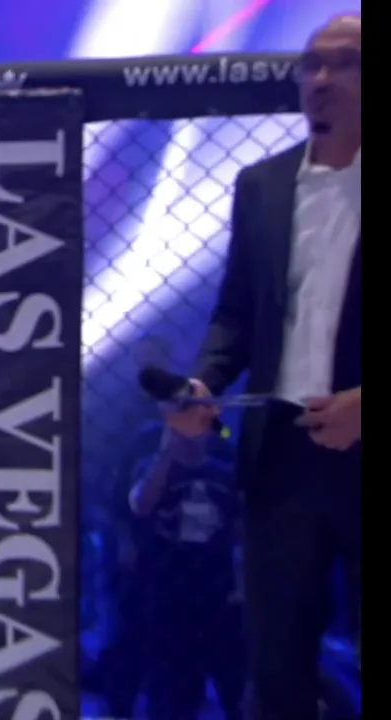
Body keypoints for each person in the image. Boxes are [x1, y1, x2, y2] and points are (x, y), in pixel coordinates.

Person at [165, 15, 361, 720]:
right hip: (281, 453)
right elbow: (235, 315)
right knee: (277, 664)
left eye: (345, 63)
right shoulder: (263, 185)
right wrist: (204, 383)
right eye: (311, 64)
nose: (322, 79)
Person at [129, 427, 245, 720]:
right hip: (168, 589)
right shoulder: (150, 468)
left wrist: (242, 584)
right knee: (171, 686)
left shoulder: (225, 473)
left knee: (233, 680)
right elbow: (141, 505)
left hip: (217, 589)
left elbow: (243, 530)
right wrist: (166, 456)